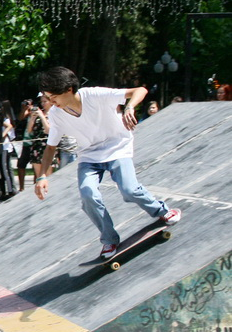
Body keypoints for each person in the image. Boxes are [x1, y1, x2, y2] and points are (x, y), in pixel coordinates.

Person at [34, 66, 181, 259]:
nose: (51, 103)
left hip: (117, 147)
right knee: (88, 194)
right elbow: (51, 147)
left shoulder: (95, 95)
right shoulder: (56, 114)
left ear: (69, 89)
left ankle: (161, 210)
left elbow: (140, 91)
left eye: (54, 97)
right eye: (48, 98)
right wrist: (42, 176)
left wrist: (129, 107)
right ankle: (109, 239)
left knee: (129, 189)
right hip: (89, 156)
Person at [27, 94, 52, 182]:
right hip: (36, 146)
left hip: (48, 146)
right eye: (42, 102)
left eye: (45, 101)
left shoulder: (54, 114)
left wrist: (42, 116)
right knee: (38, 176)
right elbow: (29, 130)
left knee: (48, 175)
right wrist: (32, 118)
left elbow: (48, 130)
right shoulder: (39, 113)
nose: (43, 104)